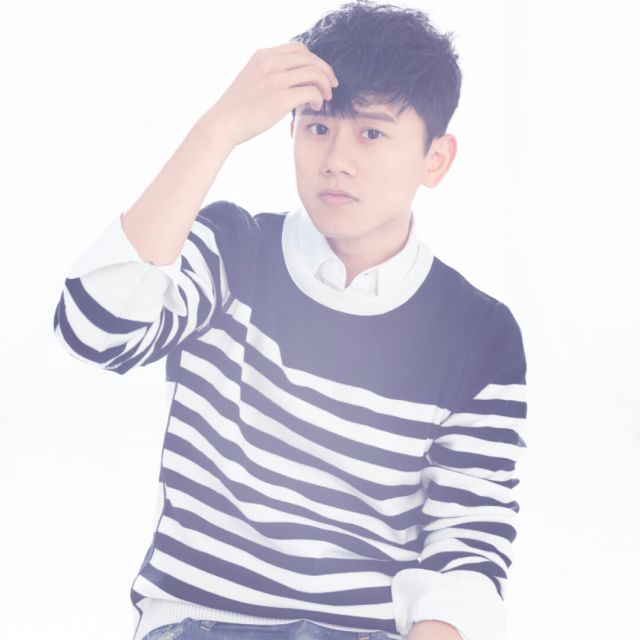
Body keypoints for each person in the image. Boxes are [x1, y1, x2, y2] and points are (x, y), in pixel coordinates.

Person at [53, 1, 527, 639]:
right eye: (317, 127)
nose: (336, 159)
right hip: (202, 622)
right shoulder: (234, 251)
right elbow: (94, 333)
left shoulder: (477, 333)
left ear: (435, 159)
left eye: (372, 134)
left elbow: (468, 548)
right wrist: (218, 129)